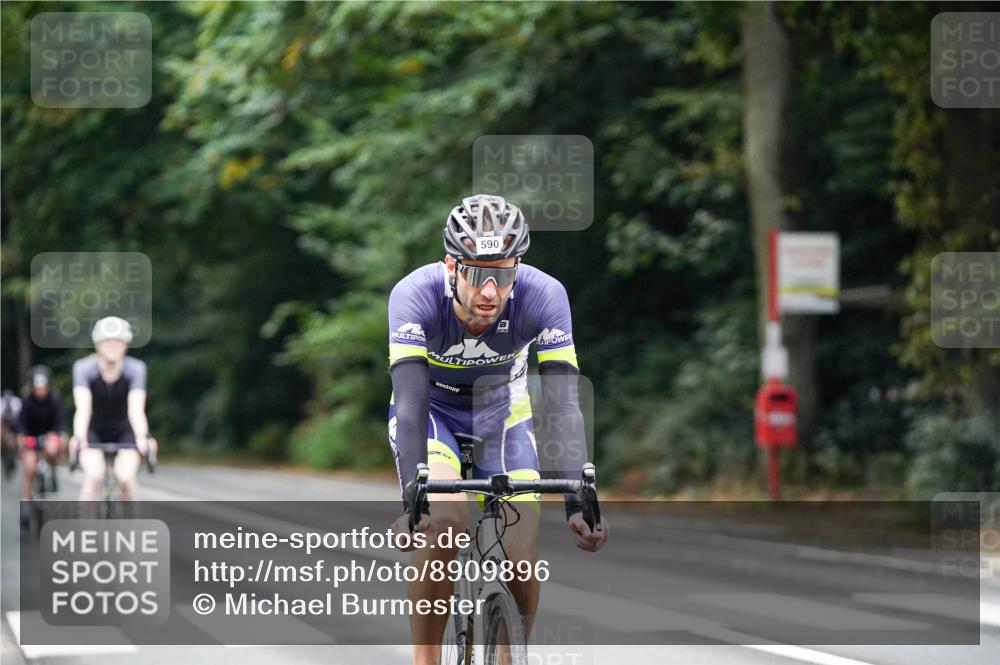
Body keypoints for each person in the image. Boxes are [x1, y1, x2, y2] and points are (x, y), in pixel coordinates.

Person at [386, 194, 609, 664]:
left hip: (502, 417)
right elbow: (409, 402)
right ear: (451, 265)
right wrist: (414, 498)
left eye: (504, 274)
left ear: (519, 268)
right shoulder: (414, 295)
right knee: (445, 523)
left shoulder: (545, 295)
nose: (490, 291)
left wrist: (577, 500)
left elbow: (564, 402)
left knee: (522, 559)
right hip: (434, 415)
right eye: (477, 273)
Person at [70, 317, 156, 501]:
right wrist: (79, 437)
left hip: (124, 431)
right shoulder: (83, 368)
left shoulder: (136, 369)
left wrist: (143, 437)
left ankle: (133, 526)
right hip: (94, 431)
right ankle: (85, 528)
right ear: (97, 345)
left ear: (126, 345)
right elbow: (83, 408)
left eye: (118, 341)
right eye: (107, 341)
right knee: (93, 477)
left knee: (125, 478)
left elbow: (136, 409)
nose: (112, 346)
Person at [16, 366, 68, 526]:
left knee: (52, 449)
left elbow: (60, 421)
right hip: (30, 437)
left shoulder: (54, 399)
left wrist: (60, 435)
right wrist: (21, 438)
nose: (40, 391)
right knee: (29, 468)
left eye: (43, 387)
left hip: (48, 434)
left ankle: (52, 471)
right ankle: (25, 502)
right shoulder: (26, 400)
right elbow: (20, 424)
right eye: (37, 387)